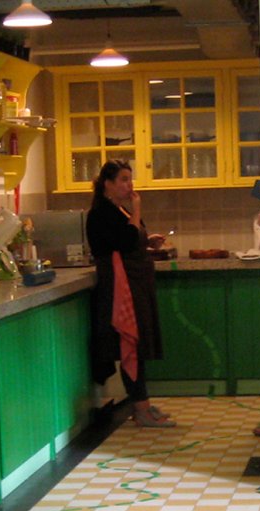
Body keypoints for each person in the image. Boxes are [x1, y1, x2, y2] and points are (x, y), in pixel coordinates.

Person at [87, 160, 176, 428]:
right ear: (108, 184)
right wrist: (137, 211)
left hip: (134, 282)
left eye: (130, 179)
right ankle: (141, 409)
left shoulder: (118, 210)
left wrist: (147, 241)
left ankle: (143, 403)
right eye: (124, 179)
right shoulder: (101, 213)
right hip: (120, 287)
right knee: (130, 344)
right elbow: (124, 240)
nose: (130, 185)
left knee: (137, 345)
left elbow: (128, 241)